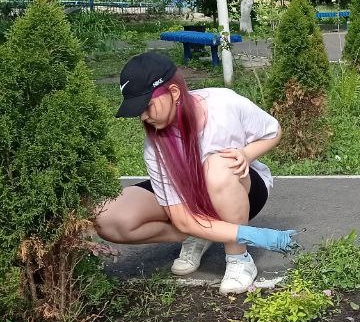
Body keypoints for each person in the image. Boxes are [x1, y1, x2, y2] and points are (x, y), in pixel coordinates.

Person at [95, 52, 295, 294]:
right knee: (108, 217)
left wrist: (247, 154)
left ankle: (238, 259)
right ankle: (202, 234)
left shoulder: (224, 104)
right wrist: (258, 236)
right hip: (190, 200)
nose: (143, 116)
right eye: (138, 110)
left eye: (146, 106)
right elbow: (181, 218)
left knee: (218, 168)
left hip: (240, 187)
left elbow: (273, 131)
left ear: (174, 93)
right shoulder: (154, 146)